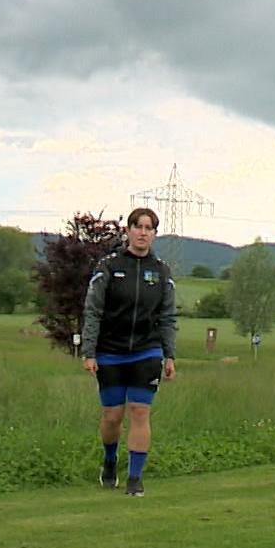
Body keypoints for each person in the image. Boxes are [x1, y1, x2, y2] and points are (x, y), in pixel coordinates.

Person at [81, 207, 177, 496]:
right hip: (110, 350)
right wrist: (89, 351)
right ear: (128, 231)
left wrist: (169, 354)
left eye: (149, 228)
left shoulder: (161, 271)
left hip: (146, 351)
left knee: (139, 411)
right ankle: (109, 461)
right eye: (138, 227)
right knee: (112, 416)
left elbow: (167, 316)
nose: (143, 233)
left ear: (154, 234)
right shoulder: (109, 267)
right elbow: (93, 310)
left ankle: (135, 478)